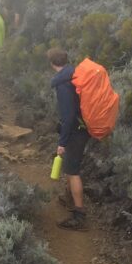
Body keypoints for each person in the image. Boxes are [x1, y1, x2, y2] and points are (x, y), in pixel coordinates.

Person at [48, 47, 91, 230]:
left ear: (52, 64)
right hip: (82, 128)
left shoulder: (63, 84)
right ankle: (69, 198)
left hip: (75, 131)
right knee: (70, 167)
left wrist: (62, 143)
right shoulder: (73, 74)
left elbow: (68, 117)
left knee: (73, 172)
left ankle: (79, 215)